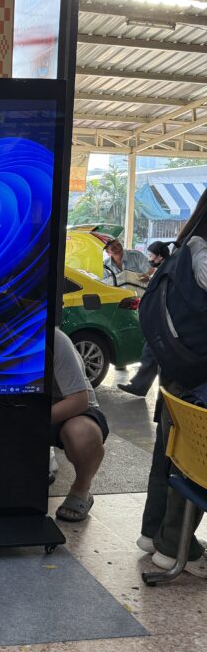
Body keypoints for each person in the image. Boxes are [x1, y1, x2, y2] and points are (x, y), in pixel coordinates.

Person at [138, 192, 207, 576]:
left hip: (176, 365)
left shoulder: (185, 244)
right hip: (200, 375)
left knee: (170, 450)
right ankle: (175, 546)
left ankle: (152, 534)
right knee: (197, 459)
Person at [52, 328, 109, 522]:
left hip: (72, 410)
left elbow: (78, 401)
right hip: (26, 408)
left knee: (82, 435)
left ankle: (81, 489)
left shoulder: (56, 340)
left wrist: (33, 421)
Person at [118, 241, 170, 397]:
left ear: (160, 256)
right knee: (151, 352)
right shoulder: (164, 268)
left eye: (150, 255)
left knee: (152, 351)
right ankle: (140, 386)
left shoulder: (167, 271)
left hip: (163, 321)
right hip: (160, 320)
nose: (148, 258)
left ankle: (142, 387)